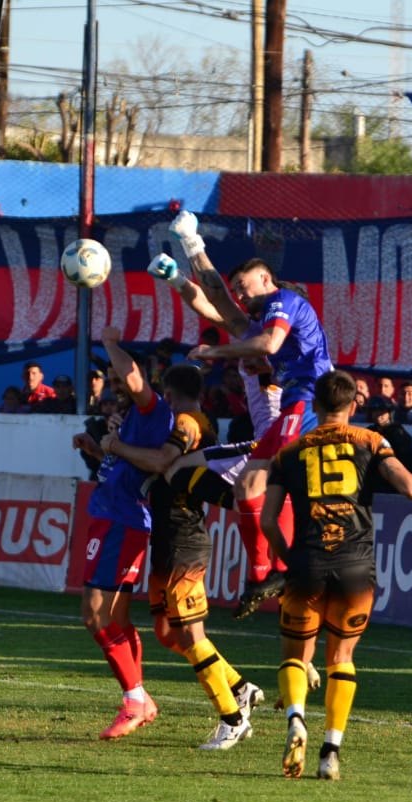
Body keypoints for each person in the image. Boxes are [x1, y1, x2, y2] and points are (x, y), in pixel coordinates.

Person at [260, 369, 412, 780]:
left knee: (296, 656)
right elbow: (410, 488)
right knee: (341, 657)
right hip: (355, 567)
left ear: (315, 406)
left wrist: (290, 559)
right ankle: (330, 753)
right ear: (353, 405)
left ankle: (295, 719)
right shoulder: (370, 440)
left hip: (307, 563)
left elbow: (268, 521)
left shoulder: (288, 454)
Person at [149, 209, 333, 619]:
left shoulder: (283, 306)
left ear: (266, 279)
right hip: (287, 416)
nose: (240, 296)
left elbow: (267, 345)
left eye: (244, 287)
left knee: (192, 471)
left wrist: (214, 351)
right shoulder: (256, 327)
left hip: (306, 406)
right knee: (248, 487)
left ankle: (284, 573)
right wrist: (188, 251)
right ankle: (265, 576)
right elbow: (213, 302)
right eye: (237, 290)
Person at [104, 362, 264, 750]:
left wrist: (117, 445)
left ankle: (232, 719)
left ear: (170, 395)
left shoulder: (188, 423)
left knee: (192, 634)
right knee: (166, 632)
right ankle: (240, 687)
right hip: (167, 539)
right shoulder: (188, 423)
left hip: (183, 539)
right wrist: (109, 443)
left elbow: (162, 460)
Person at [70, 325, 174, 739]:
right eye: (111, 380)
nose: (116, 386)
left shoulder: (153, 409)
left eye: (119, 378)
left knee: (93, 614)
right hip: (114, 517)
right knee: (116, 618)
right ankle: (140, 698)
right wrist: (99, 451)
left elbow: (134, 382)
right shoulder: (129, 419)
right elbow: (124, 469)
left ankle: (133, 699)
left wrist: (110, 343)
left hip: (121, 521)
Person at [365, 396, 412, 496]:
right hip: (371, 482)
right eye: (375, 411)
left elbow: (405, 462)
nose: (378, 414)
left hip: (392, 483)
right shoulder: (368, 432)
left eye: (382, 411)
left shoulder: (398, 433)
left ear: (389, 413)